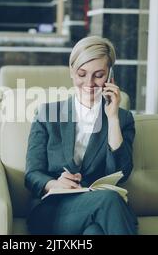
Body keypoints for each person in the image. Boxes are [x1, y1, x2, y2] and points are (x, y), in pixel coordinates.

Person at [24, 36, 138, 235]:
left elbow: (121, 174)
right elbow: (32, 174)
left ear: (110, 76)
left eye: (99, 75)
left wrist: (112, 119)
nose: (89, 83)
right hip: (54, 210)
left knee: (95, 232)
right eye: (82, 74)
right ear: (71, 71)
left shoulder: (122, 118)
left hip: (100, 208)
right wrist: (54, 184)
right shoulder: (47, 114)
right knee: (109, 201)